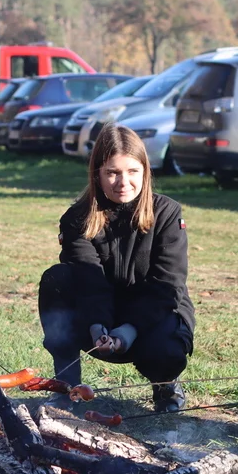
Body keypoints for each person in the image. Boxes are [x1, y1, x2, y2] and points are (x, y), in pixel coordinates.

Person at [38, 124, 194, 413]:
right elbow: (88, 279)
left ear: (145, 172)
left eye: (132, 171)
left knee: (166, 351)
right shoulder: (77, 218)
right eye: (112, 172)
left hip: (153, 314)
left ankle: (166, 385)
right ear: (97, 173)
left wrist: (129, 331)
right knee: (56, 279)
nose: (123, 182)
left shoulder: (168, 213)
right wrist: (99, 325)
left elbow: (167, 284)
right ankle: (66, 387)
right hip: (99, 317)